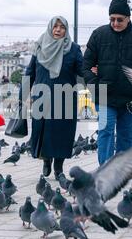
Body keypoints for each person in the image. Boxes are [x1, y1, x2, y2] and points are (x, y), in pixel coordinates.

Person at [83, 0, 132, 165]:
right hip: (105, 96)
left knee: (126, 134)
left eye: (119, 19)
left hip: (131, 98)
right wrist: (94, 84)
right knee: (105, 130)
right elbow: (85, 65)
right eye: (112, 19)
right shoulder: (99, 35)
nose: (115, 23)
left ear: (128, 18)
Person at [20, 16, 84, 179]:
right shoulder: (40, 46)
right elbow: (30, 72)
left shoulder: (74, 49)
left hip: (65, 97)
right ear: (50, 28)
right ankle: (46, 160)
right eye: (55, 27)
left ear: (66, 30)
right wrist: (22, 96)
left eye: (62, 27)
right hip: (42, 97)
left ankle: (59, 166)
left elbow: (83, 71)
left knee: (63, 133)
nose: (58, 30)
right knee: (44, 132)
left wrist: (95, 72)